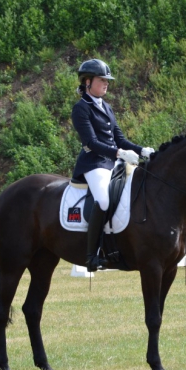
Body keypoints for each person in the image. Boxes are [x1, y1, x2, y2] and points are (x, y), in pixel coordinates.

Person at [71, 59, 155, 271]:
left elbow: (120, 139)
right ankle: (92, 256)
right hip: (94, 163)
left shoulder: (106, 107)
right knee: (103, 200)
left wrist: (140, 150)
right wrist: (120, 153)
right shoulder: (81, 108)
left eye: (107, 80)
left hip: (114, 161)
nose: (106, 83)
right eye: (102, 80)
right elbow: (91, 142)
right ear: (88, 82)